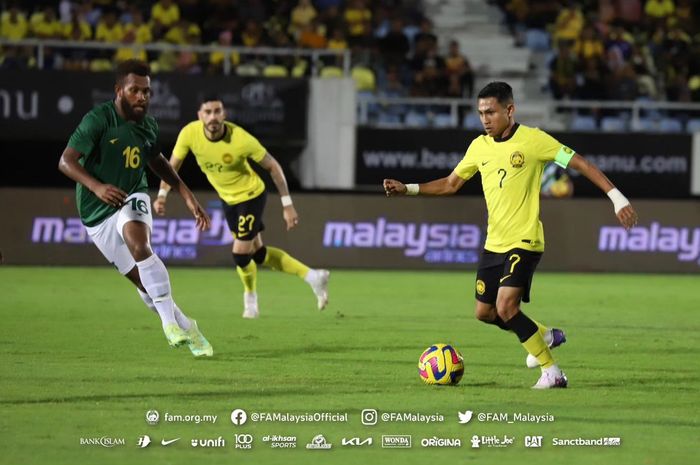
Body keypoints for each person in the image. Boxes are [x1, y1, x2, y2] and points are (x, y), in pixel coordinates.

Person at [383, 82, 638, 389]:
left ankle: (552, 372)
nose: (485, 119)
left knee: (506, 308)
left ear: (509, 110)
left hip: (525, 240)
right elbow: (451, 184)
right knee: (485, 312)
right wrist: (408, 188)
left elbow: (581, 163)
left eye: (490, 112)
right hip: (494, 243)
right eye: (480, 113)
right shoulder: (479, 147)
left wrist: (617, 198)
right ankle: (544, 334)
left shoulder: (534, 140)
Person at [58, 59, 214, 357]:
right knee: (144, 284)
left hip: (132, 194)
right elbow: (66, 161)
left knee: (139, 244)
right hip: (95, 212)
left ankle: (169, 326)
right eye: (135, 90)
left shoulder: (148, 125)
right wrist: (97, 187)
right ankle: (187, 326)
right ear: (119, 90)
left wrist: (185, 193)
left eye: (147, 91)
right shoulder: (98, 120)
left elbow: (157, 162)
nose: (142, 97)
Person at [154, 96, 329, 319]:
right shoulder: (190, 133)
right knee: (258, 255)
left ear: (224, 114)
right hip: (229, 201)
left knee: (239, 254)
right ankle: (313, 276)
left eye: (217, 111)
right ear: (199, 115)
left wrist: (287, 205)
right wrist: (161, 195)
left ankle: (250, 300)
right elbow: (172, 166)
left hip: (251, 195)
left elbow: (273, 167)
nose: (213, 117)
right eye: (207, 112)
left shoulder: (240, 139)